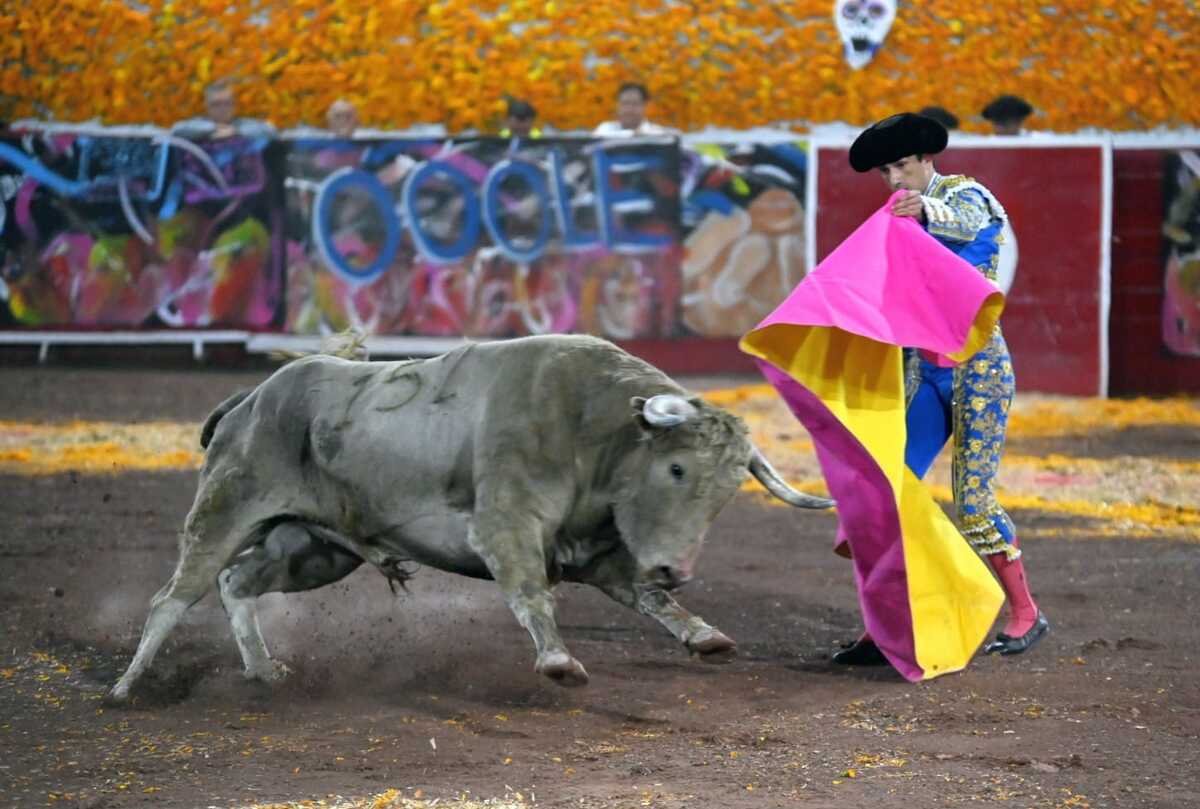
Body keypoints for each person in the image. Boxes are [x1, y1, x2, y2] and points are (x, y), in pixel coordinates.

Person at [833, 111, 1048, 665]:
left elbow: (965, 220)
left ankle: (1025, 612)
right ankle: (887, 627)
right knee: (888, 492)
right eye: (885, 171)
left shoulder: (964, 194)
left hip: (978, 367)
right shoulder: (895, 217)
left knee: (972, 501)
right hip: (923, 371)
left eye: (901, 166)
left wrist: (924, 207)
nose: (893, 180)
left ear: (927, 160)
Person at [172, 79, 275, 141]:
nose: (223, 109)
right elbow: (177, 130)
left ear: (233, 105)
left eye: (227, 103)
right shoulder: (199, 124)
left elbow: (270, 130)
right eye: (217, 104)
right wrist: (213, 129)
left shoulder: (241, 124)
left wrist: (235, 131)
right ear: (207, 106)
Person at [593, 82, 672, 137]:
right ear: (617, 105)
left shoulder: (657, 134)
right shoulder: (604, 130)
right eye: (625, 103)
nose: (629, 109)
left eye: (634, 104)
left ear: (645, 106)